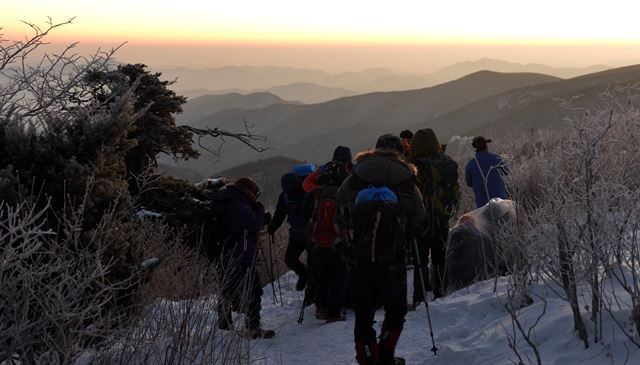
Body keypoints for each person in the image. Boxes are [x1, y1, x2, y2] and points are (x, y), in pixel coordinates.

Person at [338, 134, 427, 365]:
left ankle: (368, 358)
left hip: (359, 259)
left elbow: (341, 208)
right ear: (400, 153)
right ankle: (386, 355)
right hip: (393, 259)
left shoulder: (356, 177)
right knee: (396, 310)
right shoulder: (406, 178)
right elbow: (419, 216)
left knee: (364, 313)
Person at [216, 177, 275, 339]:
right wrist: (261, 210)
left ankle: (224, 323)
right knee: (253, 291)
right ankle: (252, 328)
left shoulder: (228, 202)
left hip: (225, 254)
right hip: (240, 256)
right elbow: (254, 225)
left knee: (227, 288)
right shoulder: (239, 205)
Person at [410, 128, 461, 300]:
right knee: (440, 256)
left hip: (422, 219)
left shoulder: (416, 165)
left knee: (421, 259)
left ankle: (420, 296)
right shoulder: (446, 162)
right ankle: (441, 292)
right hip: (442, 216)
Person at [303, 155, 350, 323]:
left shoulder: (315, 194)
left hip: (317, 244)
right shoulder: (343, 195)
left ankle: (320, 308)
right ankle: (334, 313)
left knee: (321, 276)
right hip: (337, 243)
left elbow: (304, 217)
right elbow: (348, 219)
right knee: (338, 278)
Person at [268, 163, 316, 291]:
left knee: (290, 259)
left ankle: (304, 277)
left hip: (296, 234)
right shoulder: (313, 191)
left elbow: (280, 214)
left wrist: (273, 226)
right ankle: (311, 289)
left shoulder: (286, 194)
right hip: (312, 235)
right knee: (313, 265)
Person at [464, 136, 510, 208]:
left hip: (482, 205)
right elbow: (507, 173)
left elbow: (469, 183)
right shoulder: (497, 158)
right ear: (486, 146)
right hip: (501, 200)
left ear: (475, 148)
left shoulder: (470, 165)